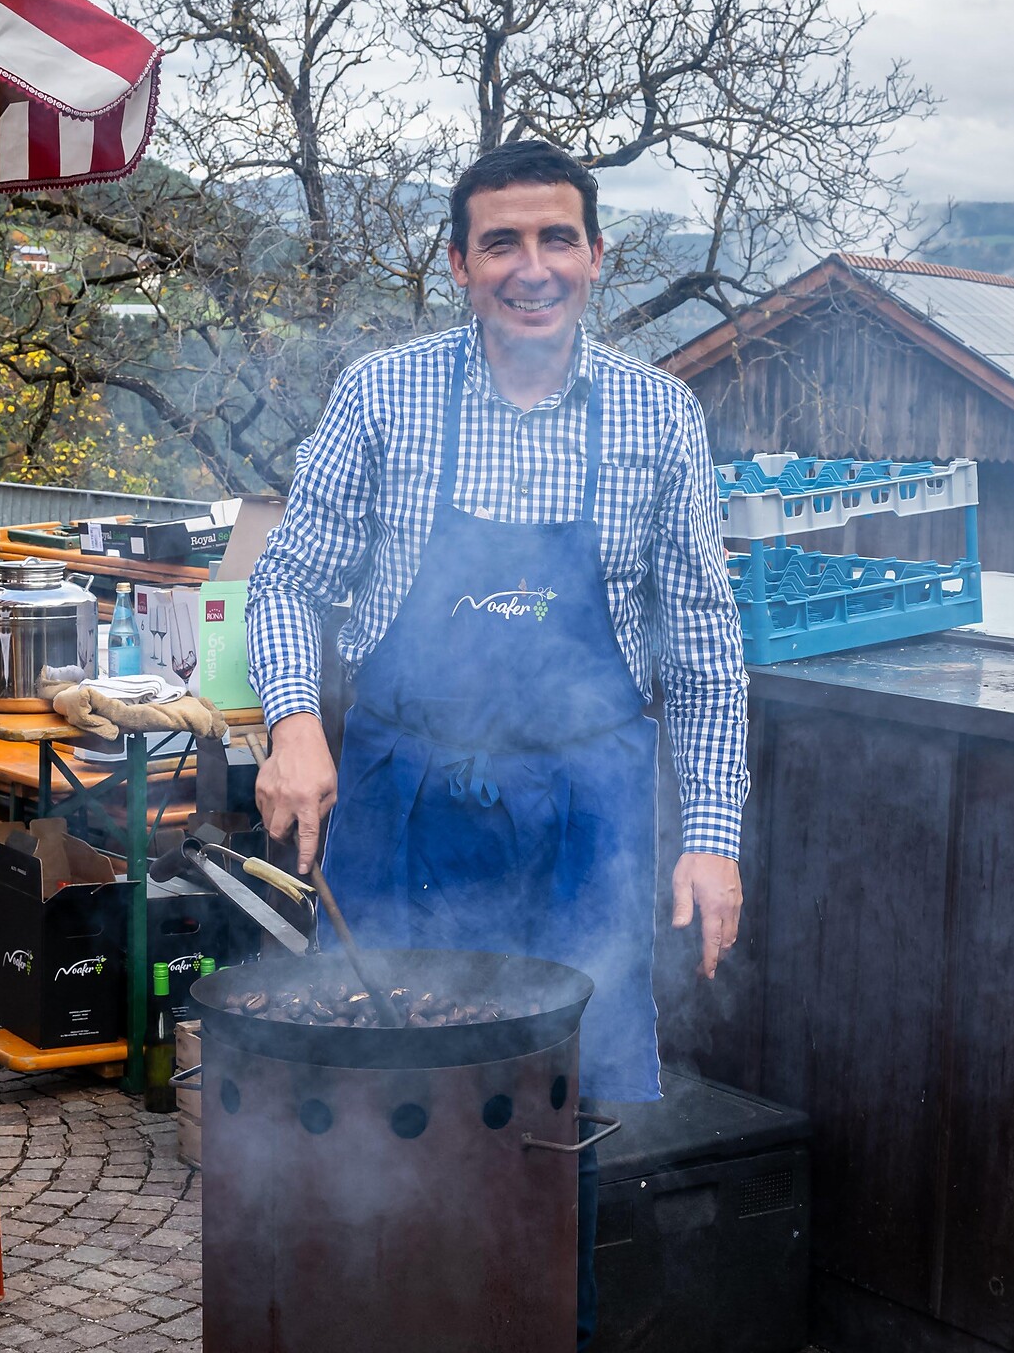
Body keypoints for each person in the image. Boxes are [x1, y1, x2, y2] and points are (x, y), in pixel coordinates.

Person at [247, 140, 749, 1348]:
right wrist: (294, 720)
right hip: (400, 797)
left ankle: (536, 1327)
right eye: (503, 243)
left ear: (596, 254)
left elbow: (702, 645)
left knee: (551, 1108)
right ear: (460, 264)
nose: (535, 268)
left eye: (557, 239)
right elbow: (285, 587)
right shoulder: (384, 394)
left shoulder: (657, 415)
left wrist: (716, 839)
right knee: (371, 1097)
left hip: (586, 817)